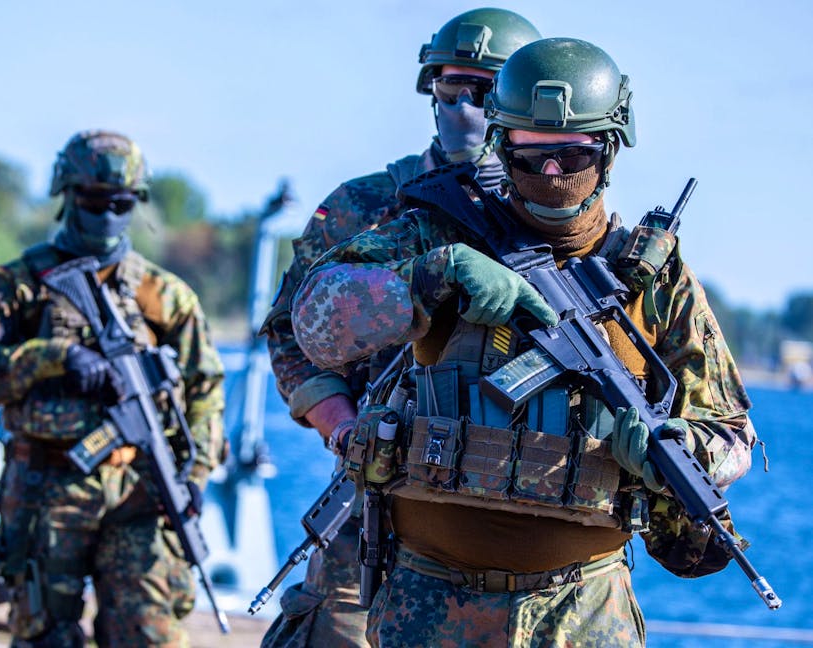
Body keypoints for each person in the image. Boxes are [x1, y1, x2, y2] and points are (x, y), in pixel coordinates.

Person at [291, 38, 757, 647]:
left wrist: (679, 448)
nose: (554, 174)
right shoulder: (438, 229)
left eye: (572, 155)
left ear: (609, 152)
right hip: (428, 602)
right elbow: (315, 323)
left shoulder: (655, 278)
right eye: (531, 157)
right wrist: (433, 273)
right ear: (500, 144)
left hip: (584, 605)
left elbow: (731, 432)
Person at [258, 8, 541, 647]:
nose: (465, 106)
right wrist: (342, 428)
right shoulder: (367, 205)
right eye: (451, 88)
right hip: (379, 491)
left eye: (486, 91)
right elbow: (290, 334)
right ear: (430, 91)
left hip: (511, 511)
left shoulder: (551, 214)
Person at [0, 130, 226, 647]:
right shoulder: (19, 285)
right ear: (68, 195)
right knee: (45, 636)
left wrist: (198, 473)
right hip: (45, 487)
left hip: (141, 490)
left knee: (148, 634)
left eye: (121, 204)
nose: (107, 215)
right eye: (94, 201)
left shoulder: (164, 296)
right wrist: (51, 358)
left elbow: (204, 391)